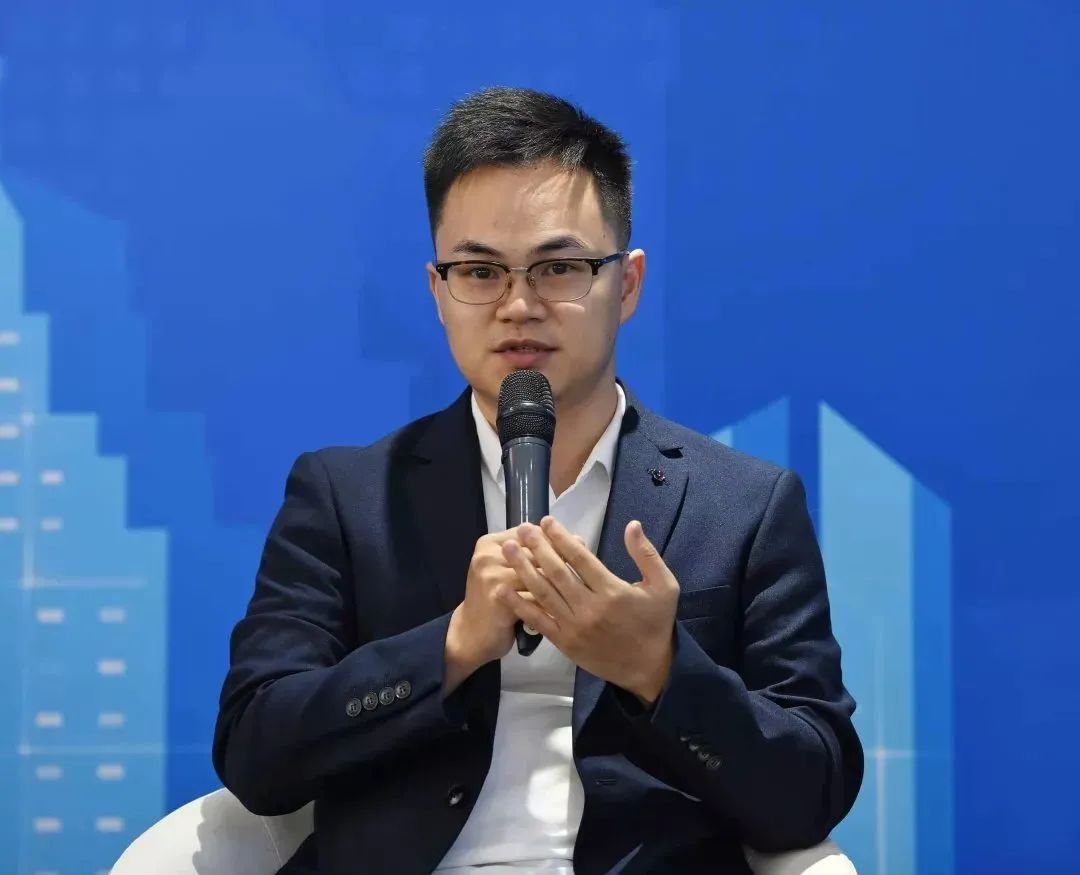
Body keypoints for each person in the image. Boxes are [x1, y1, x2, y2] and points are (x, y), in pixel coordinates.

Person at [213, 87, 863, 875]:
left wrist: (660, 671)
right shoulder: (348, 496)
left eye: (559, 267)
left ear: (626, 284)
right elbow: (255, 750)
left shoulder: (745, 506)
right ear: (438, 291)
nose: (519, 306)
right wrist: (451, 646)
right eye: (480, 270)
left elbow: (813, 786)